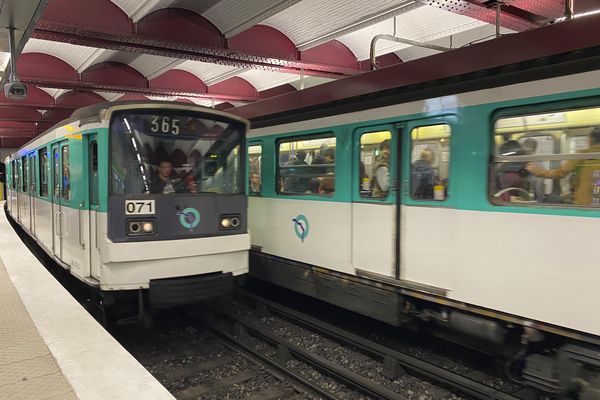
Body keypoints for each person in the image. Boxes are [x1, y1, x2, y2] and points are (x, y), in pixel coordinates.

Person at [527, 127, 600, 206]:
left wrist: (536, 171)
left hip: (584, 204)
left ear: (589, 140)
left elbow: (559, 173)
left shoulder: (582, 155)